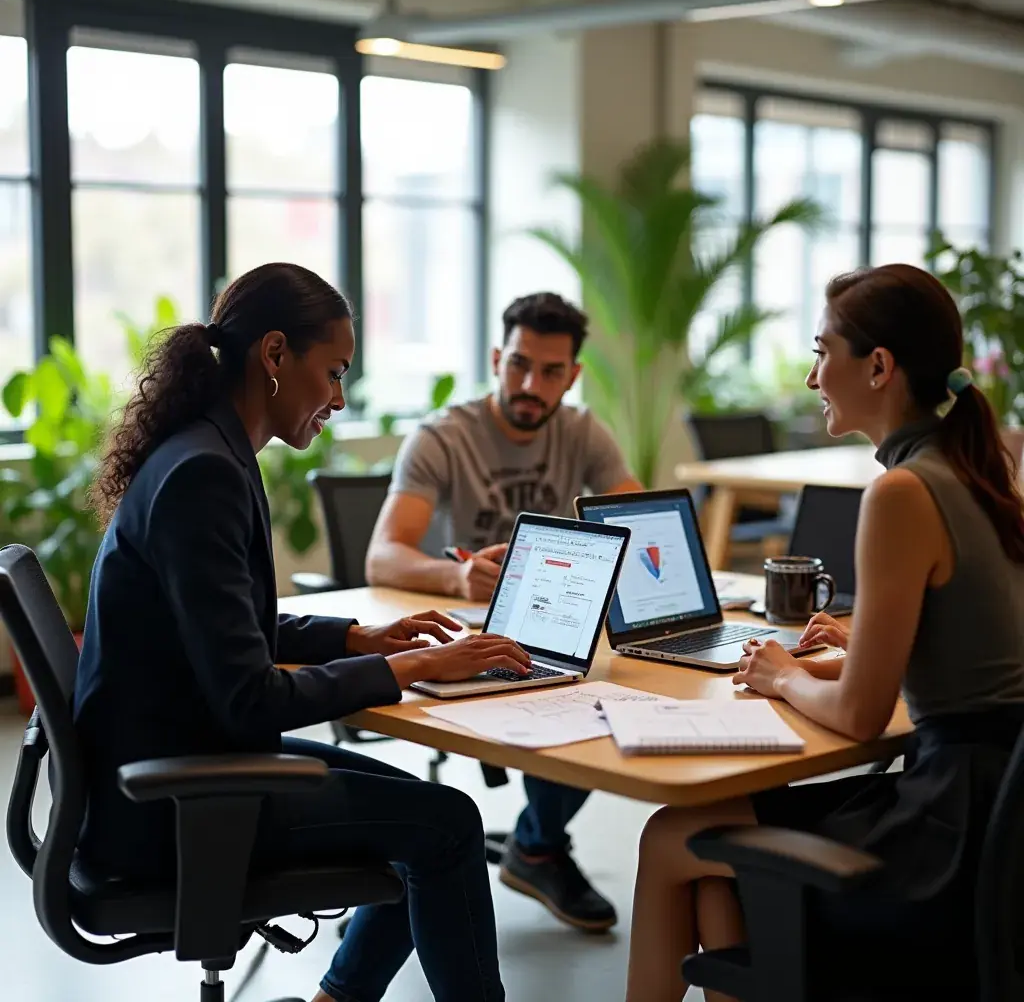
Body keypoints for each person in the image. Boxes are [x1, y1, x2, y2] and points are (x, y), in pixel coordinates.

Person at [75, 262, 533, 1002]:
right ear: (275, 354)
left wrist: (356, 637)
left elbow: (229, 626)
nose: (340, 399)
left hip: (174, 767)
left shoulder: (209, 451)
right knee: (445, 827)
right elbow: (250, 700)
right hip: (174, 808)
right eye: (335, 372)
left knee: (429, 815)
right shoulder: (203, 474)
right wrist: (420, 667)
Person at [624, 263, 1024, 1002]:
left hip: (947, 838)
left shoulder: (903, 493)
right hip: (997, 819)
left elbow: (862, 717)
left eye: (821, 351)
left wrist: (783, 676)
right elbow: (961, 661)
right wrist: (829, 662)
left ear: (878, 366)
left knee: (671, 838)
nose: (812, 377)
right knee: (715, 875)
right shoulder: (980, 471)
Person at [366, 292, 643, 932]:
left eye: (550, 372)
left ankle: (536, 843)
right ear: (496, 359)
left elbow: (636, 516)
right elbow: (382, 556)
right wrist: (456, 575)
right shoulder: (443, 436)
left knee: (604, 693)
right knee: (578, 694)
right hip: (467, 631)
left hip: (553, 620)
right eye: (518, 365)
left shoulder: (583, 431)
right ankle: (539, 847)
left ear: (572, 375)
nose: (529, 385)